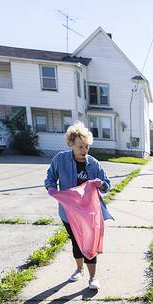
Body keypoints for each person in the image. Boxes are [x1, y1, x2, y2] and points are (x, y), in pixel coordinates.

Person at [45, 122, 113, 290]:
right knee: (76, 242)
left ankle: (93, 277)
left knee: (90, 244)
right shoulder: (60, 159)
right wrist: (51, 189)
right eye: (80, 147)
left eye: (87, 147)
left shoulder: (94, 163)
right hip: (68, 212)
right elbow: (50, 178)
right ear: (71, 144)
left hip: (89, 213)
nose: (84, 151)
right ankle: (79, 269)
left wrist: (102, 185)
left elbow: (107, 184)